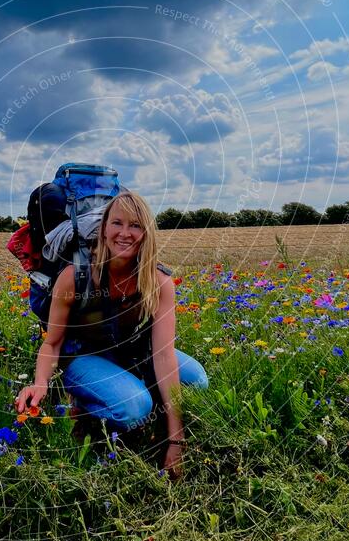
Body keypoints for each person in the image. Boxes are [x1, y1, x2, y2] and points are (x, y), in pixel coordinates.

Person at [15, 191, 208, 477]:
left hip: (128, 350)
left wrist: (176, 439)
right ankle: (85, 407)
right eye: (117, 223)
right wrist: (41, 383)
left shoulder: (159, 282)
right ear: (104, 229)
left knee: (197, 381)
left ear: (147, 234)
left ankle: (140, 397)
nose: (125, 233)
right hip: (82, 357)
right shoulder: (75, 276)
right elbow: (52, 343)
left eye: (135, 226)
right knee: (136, 407)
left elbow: (164, 355)